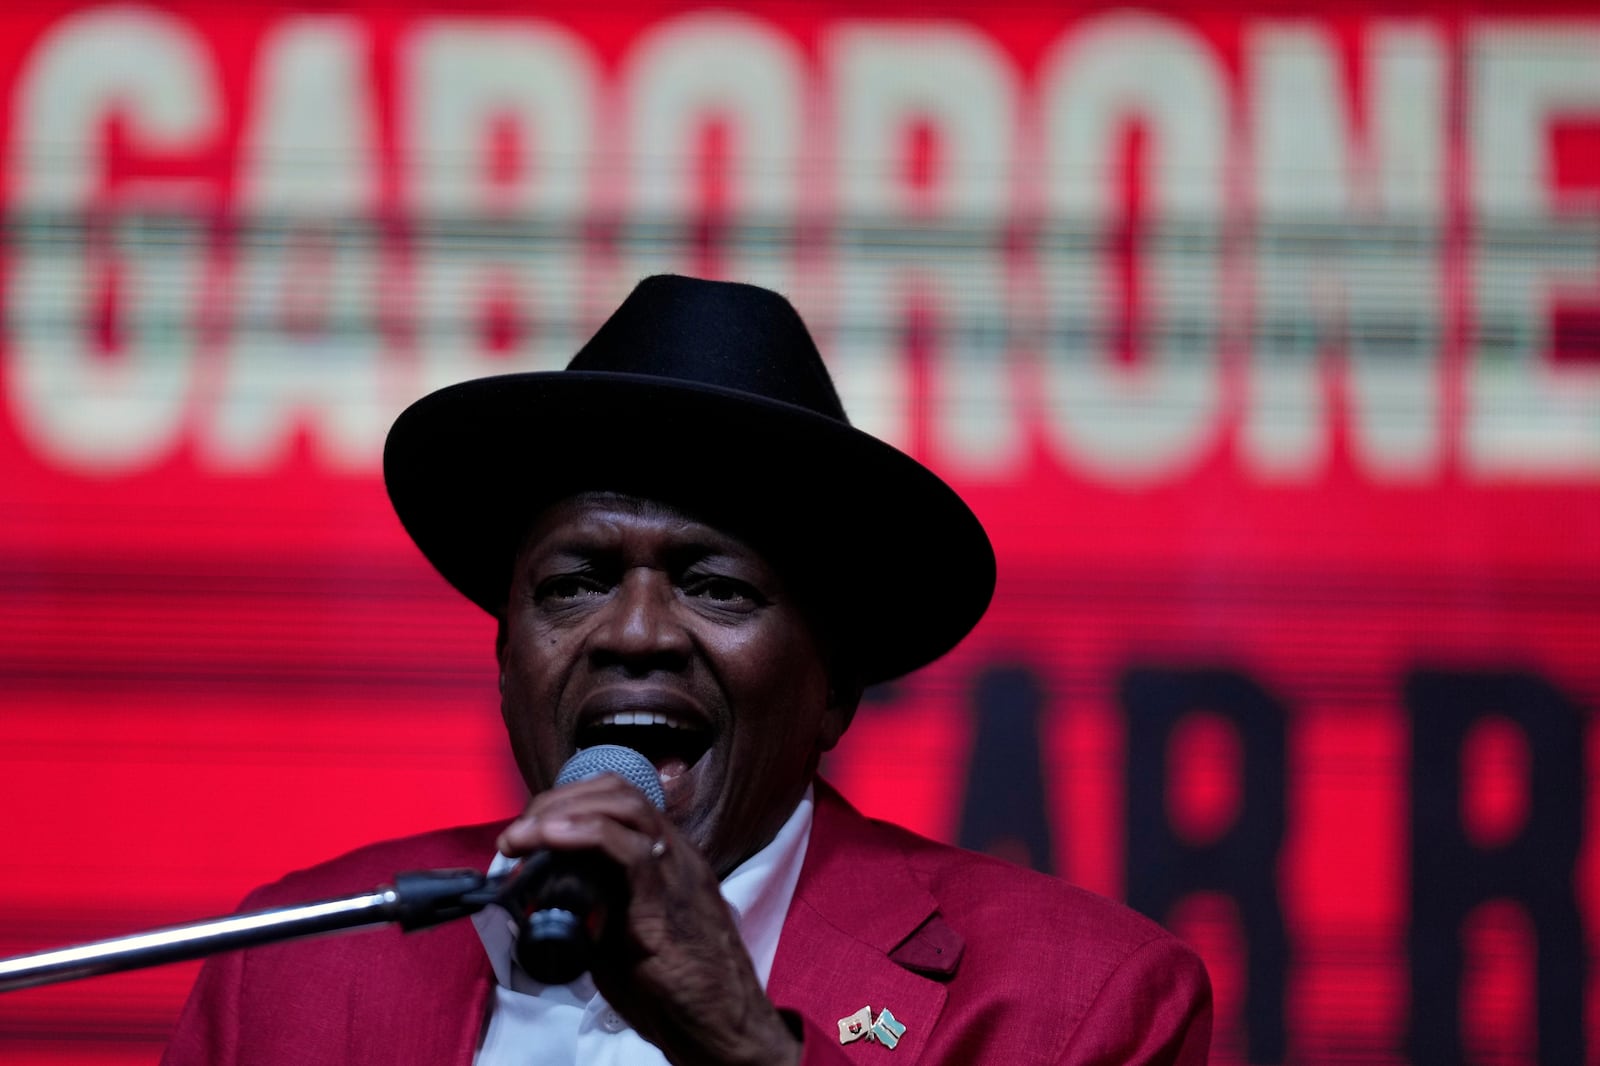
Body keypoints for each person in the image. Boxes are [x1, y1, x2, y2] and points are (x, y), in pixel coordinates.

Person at [163, 275, 1212, 1065]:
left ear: (834, 688)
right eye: (574, 582)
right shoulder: (289, 969)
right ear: (503, 656)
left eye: (716, 584)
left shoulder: (1076, 1002)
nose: (635, 631)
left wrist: (743, 1044)